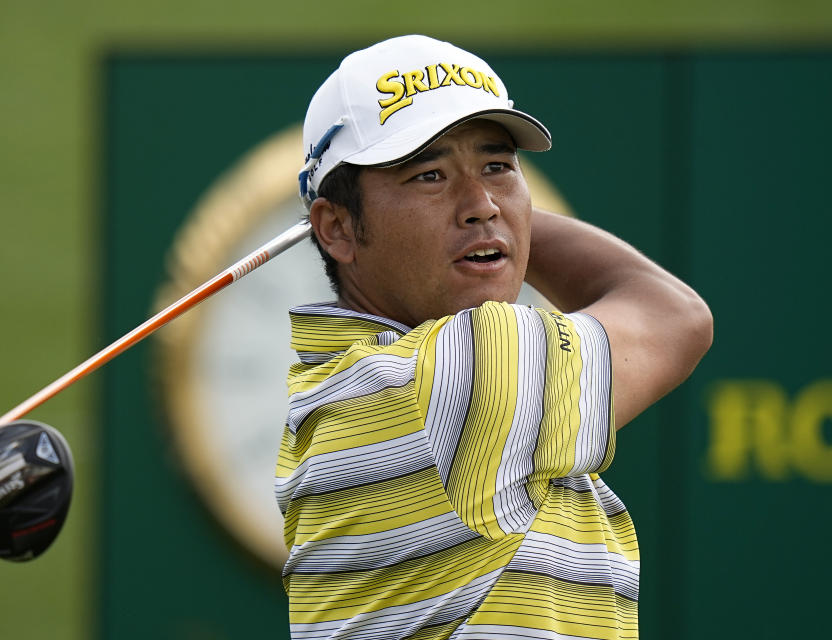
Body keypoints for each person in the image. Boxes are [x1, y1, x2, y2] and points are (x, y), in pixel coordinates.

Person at [275, 34, 712, 640]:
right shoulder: (458, 370)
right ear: (337, 228)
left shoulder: (343, 385)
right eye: (428, 175)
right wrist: (506, 220)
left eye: (498, 166)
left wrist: (492, 219)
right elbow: (674, 315)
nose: (481, 203)